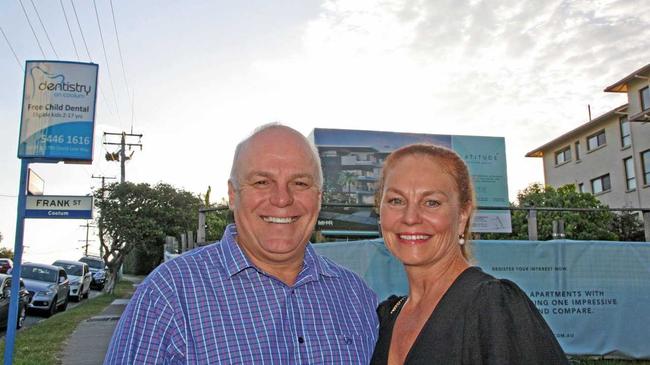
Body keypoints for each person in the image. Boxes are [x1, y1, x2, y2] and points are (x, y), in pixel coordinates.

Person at [105, 124, 379, 364]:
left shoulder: (356, 298)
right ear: (233, 195)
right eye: (262, 182)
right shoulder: (168, 296)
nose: (282, 198)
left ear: (318, 198)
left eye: (299, 183)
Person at [370, 144, 569, 365]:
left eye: (431, 202)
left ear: (463, 215)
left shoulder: (492, 307)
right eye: (396, 200)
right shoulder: (385, 318)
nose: (410, 217)